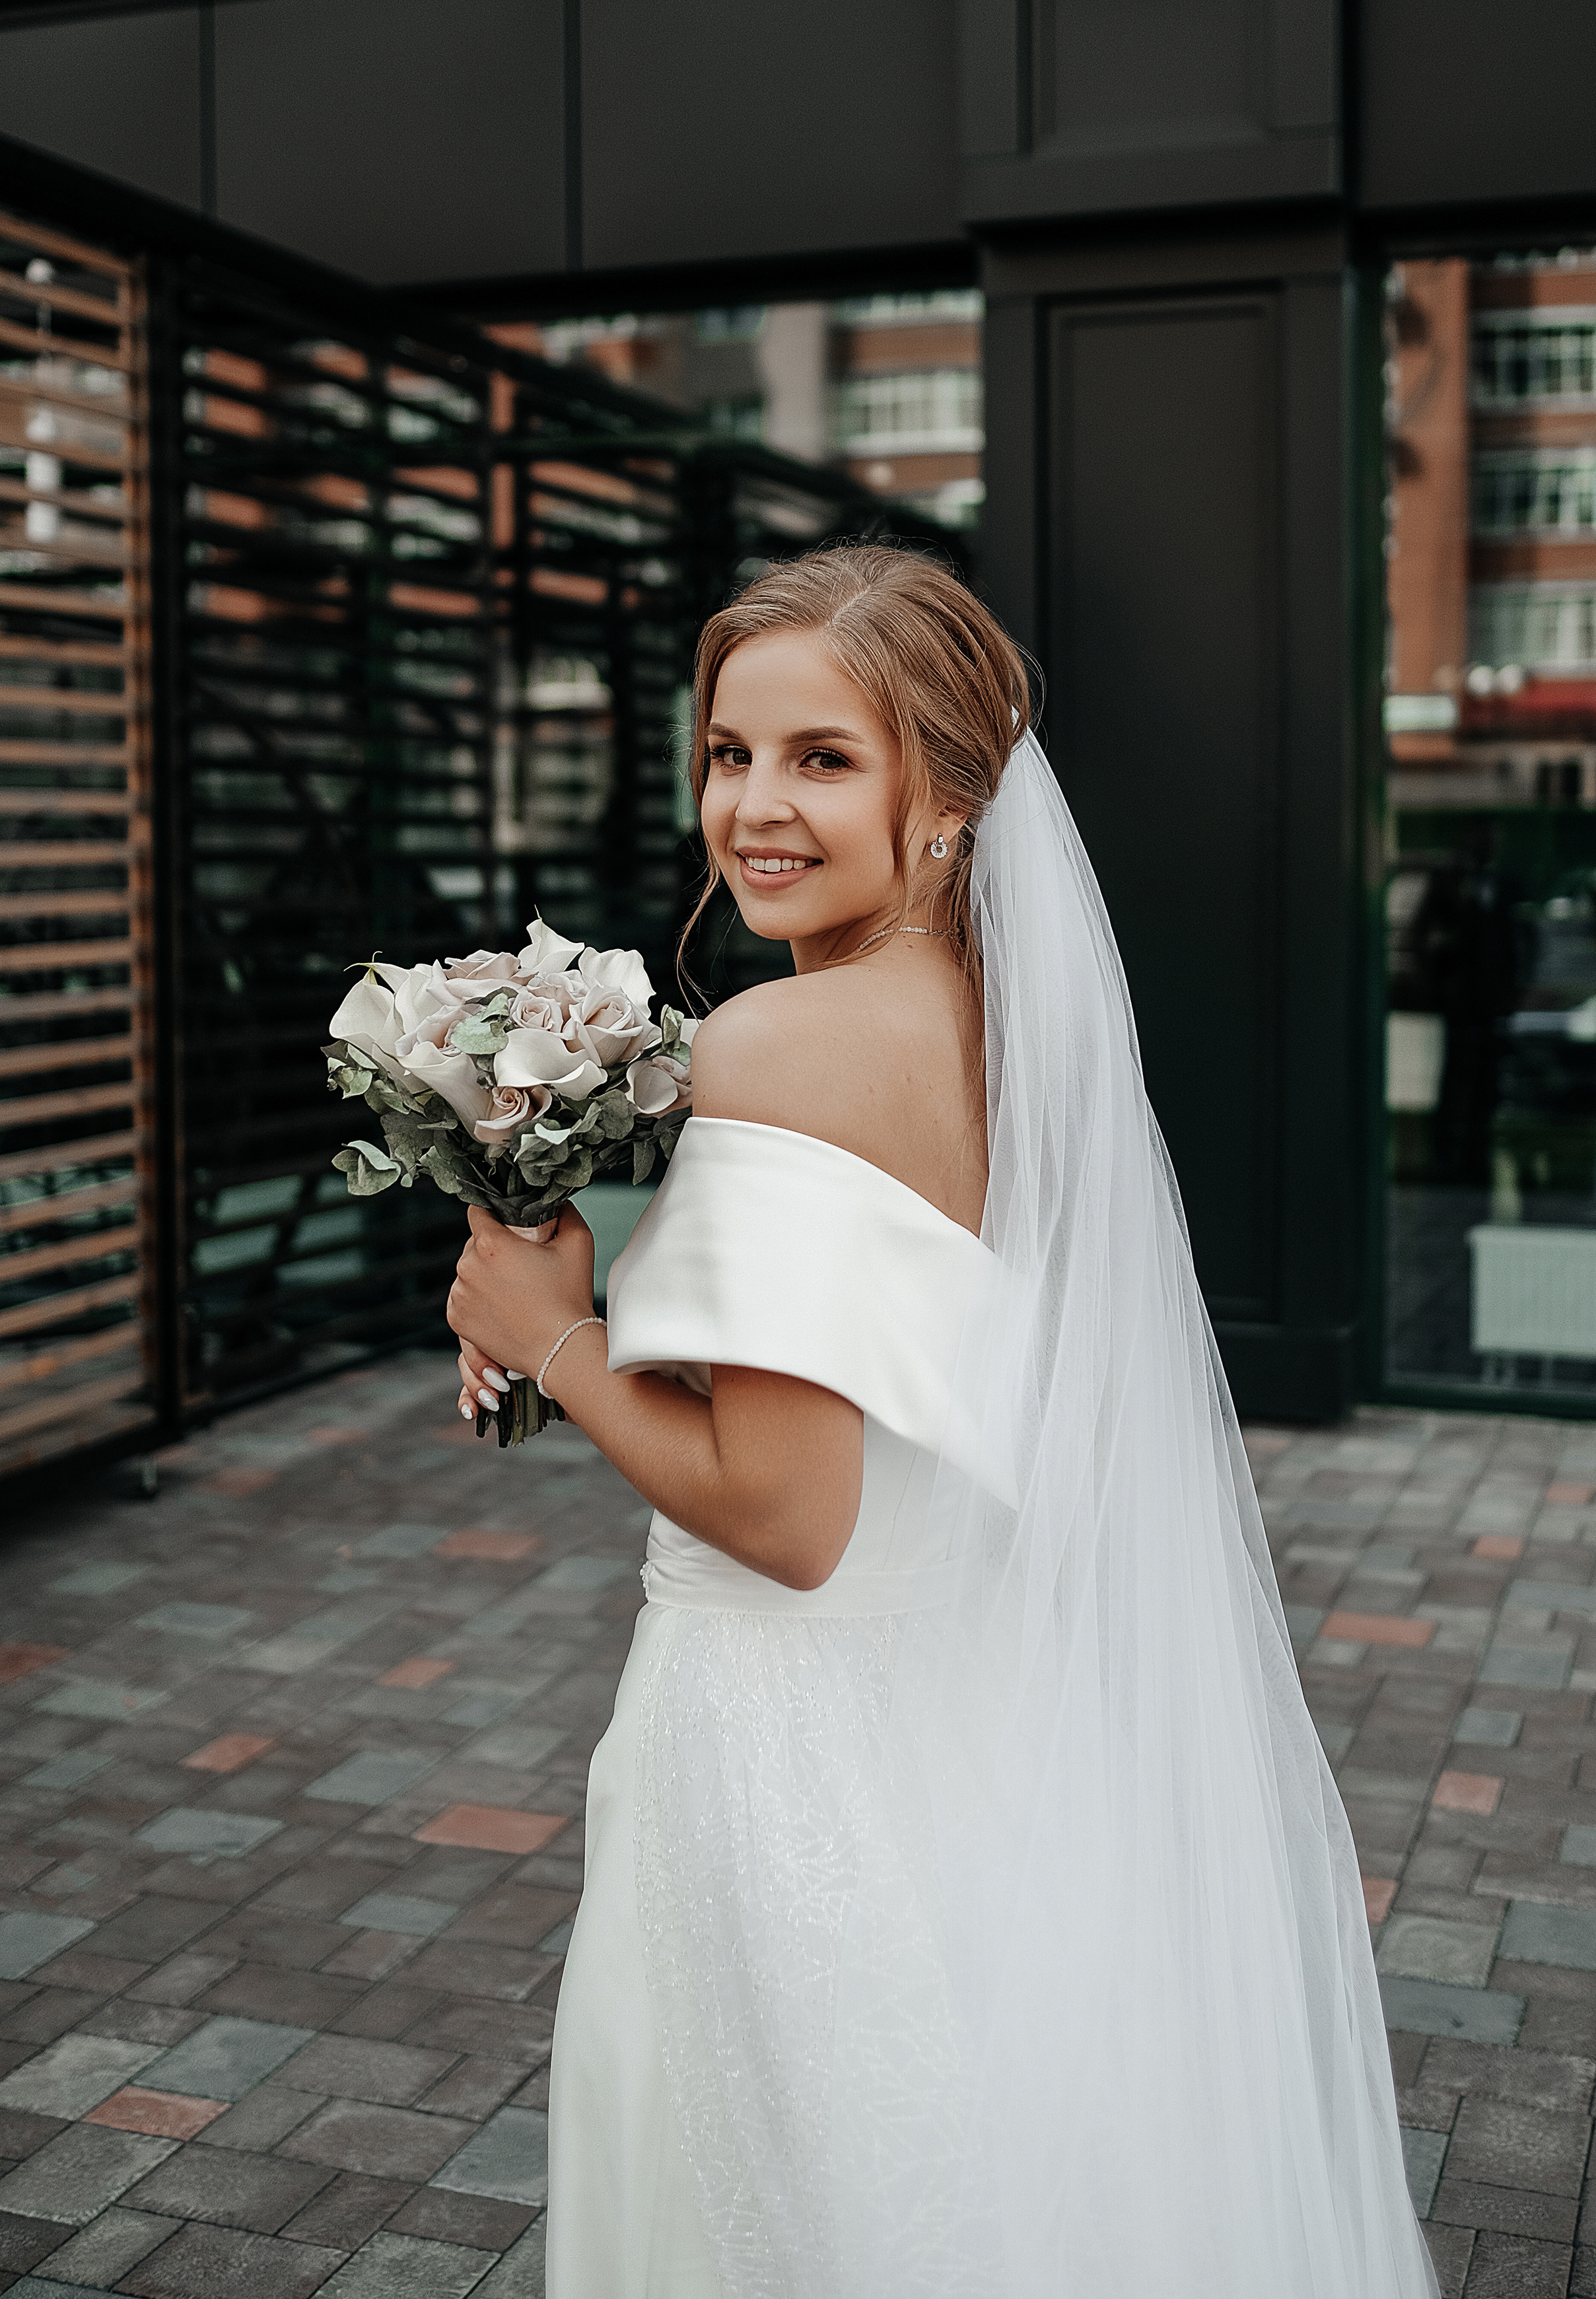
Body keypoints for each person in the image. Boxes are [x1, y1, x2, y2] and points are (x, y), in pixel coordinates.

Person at [447, 546, 1436, 2298]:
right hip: (972, 1719)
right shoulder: (999, 1029)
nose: (751, 806)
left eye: (822, 757)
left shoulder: (788, 1044)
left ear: (953, 793)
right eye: (727, 750)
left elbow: (788, 1516)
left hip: (788, 1753)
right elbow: (884, 1379)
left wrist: (561, 1334)